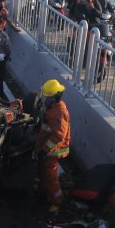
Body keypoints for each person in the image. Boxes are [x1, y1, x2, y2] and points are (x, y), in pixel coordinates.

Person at [35, 79, 71, 213]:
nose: (45, 99)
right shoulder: (53, 108)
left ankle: (57, 201)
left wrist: (44, 151)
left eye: (47, 97)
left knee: (50, 176)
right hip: (46, 148)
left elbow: (58, 136)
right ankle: (43, 189)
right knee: (42, 170)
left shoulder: (58, 113)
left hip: (52, 151)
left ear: (55, 97)